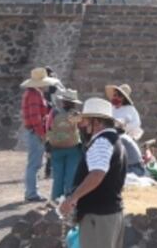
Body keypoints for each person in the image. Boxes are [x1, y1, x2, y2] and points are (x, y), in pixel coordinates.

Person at [58, 98, 127, 248]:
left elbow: (97, 174)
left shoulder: (102, 142)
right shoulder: (114, 140)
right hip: (108, 212)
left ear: (96, 122)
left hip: (98, 215)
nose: (82, 124)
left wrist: (72, 199)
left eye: (85, 121)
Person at [21, 67, 58, 202]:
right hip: (36, 132)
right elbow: (36, 118)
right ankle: (31, 193)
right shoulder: (34, 95)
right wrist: (42, 134)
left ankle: (31, 192)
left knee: (34, 164)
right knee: (34, 164)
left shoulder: (33, 93)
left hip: (34, 131)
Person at [46, 88, 83, 201]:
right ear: (74, 103)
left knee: (58, 177)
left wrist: (48, 146)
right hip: (73, 148)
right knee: (70, 177)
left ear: (63, 101)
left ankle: (55, 201)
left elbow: (48, 128)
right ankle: (69, 201)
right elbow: (82, 129)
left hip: (56, 147)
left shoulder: (54, 112)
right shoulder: (76, 115)